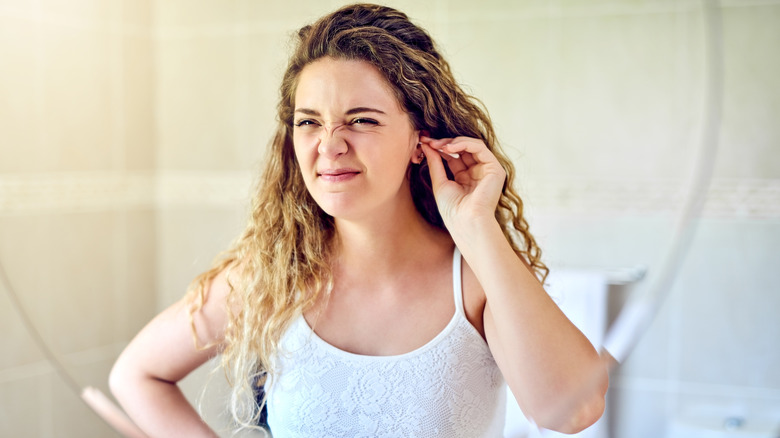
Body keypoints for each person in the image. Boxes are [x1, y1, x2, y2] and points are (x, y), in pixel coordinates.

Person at [109, 3, 609, 437]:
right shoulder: (270, 280)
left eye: (362, 119)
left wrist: (478, 228)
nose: (329, 145)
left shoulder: (474, 281)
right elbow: (136, 375)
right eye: (309, 122)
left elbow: (575, 411)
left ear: (421, 138)